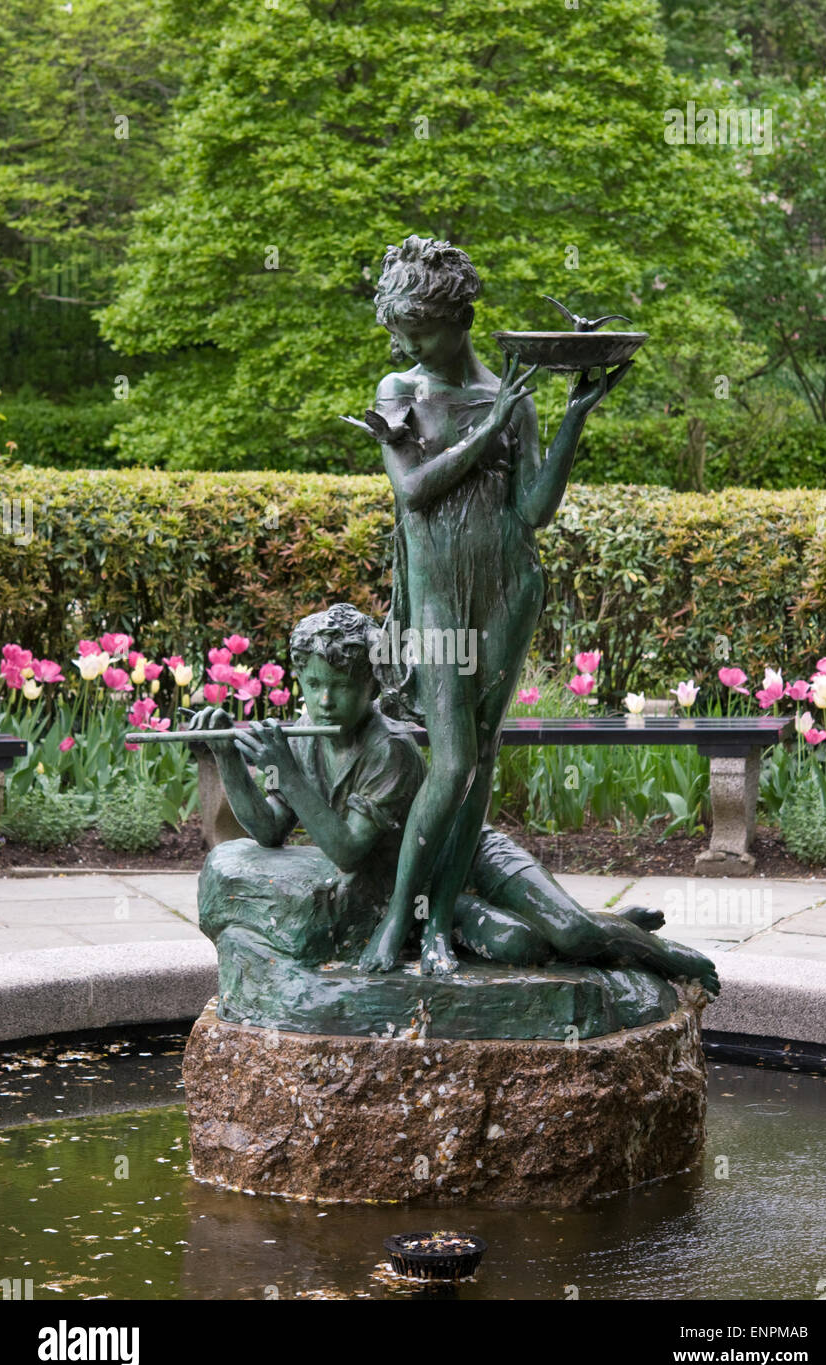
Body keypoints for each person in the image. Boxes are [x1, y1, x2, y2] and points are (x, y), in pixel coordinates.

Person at [344, 235, 633, 975]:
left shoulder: (513, 399)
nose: (406, 341)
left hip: (509, 586)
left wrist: (572, 416)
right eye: (398, 328)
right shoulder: (399, 391)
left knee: (481, 761)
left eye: (421, 327)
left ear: (463, 317)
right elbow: (411, 492)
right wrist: (490, 426)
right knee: (452, 761)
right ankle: (395, 925)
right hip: (438, 595)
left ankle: (439, 924)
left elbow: (533, 512)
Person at [190, 604, 719, 998]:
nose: (325, 700)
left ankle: (665, 956)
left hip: (467, 858)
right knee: (520, 947)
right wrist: (228, 761)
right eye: (313, 684)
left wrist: (287, 772)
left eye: (342, 686)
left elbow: (348, 850)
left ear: (372, 684)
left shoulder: (388, 749)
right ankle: (603, 927)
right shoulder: (305, 736)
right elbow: (269, 830)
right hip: (417, 896)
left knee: (572, 931)